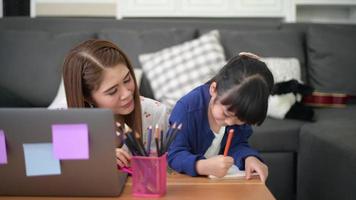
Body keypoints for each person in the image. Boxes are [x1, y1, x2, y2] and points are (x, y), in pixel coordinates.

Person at [62, 39, 169, 167]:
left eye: (127, 79)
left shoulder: (156, 113)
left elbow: (168, 168)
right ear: (87, 97)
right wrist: (98, 159)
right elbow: (54, 170)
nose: (127, 94)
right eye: (112, 91)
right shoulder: (65, 122)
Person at [168, 54, 273, 183]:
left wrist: (249, 158)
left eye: (240, 121)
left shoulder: (239, 110)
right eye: (226, 114)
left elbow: (238, 144)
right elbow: (174, 155)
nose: (230, 123)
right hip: (185, 183)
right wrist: (203, 166)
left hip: (218, 184)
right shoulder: (186, 109)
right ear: (213, 89)